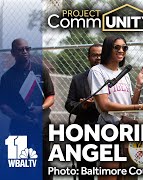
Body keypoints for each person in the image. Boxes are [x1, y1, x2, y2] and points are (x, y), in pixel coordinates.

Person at [88, 35, 143, 180]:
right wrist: (139, 107)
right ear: (107, 49)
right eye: (117, 47)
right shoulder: (97, 71)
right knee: (110, 172)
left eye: (124, 47)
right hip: (109, 127)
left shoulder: (123, 74)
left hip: (127, 128)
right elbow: (104, 105)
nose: (121, 50)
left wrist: (138, 85)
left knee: (129, 174)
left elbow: (130, 104)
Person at [0, 38, 55, 180]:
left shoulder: (41, 69)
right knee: (19, 168)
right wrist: (19, 117)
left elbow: (51, 96)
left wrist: (40, 108)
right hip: (18, 127)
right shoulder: (7, 77)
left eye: (27, 48)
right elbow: (3, 105)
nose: (25, 52)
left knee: (44, 167)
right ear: (13, 53)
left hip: (41, 126)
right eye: (20, 49)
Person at [65, 43, 102, 180]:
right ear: (88, 57)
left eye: (101, 55)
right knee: (86, 173)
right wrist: (83, 106)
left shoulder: (113, 78)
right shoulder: (78, 79)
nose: (98, 58)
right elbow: (69, 104)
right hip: (84, 130)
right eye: (94, 55)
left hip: (107, 129)